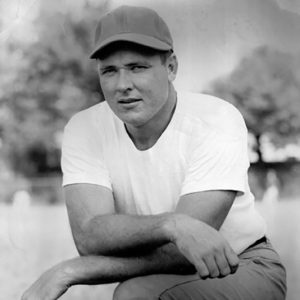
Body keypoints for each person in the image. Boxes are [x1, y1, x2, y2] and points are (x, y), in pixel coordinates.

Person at [22, 5, 286, 300]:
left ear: (171, 67)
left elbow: (188, 251)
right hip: (157, 273)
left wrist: (74, 271)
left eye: (138, 67)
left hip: (240, 264)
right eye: (109, 71)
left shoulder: (216, 119)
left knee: (133, 294)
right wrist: (171, 224)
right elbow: (89, 236)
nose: (123, 85)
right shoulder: (84, 129)